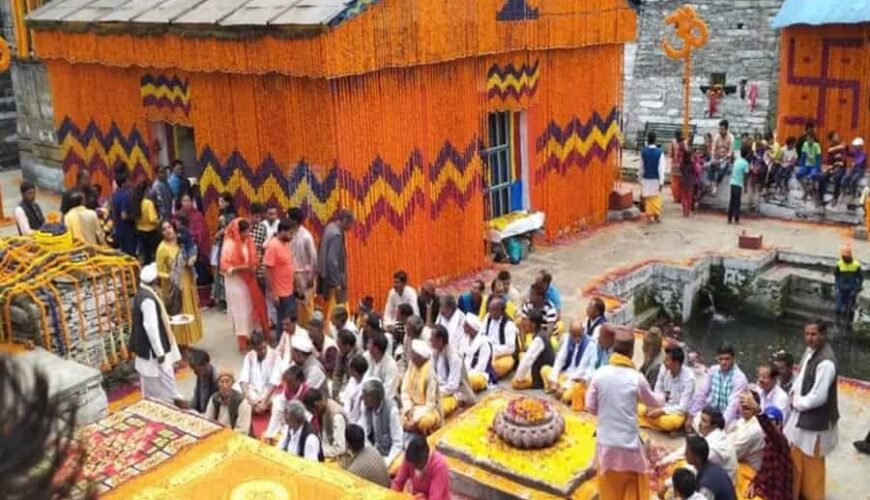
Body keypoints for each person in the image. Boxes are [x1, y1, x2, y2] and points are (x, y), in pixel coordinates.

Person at [585, 325, 662, 500]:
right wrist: (663, 398)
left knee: (608, 490)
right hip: (629, 448)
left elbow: (590, 407)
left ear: (613, 348)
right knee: (634, 487)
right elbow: (654, 403)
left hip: (606, 445)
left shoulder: (599, 374)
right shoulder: (636, 378)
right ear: (631, 352)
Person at [784, 319, 839, 500]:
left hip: (814, 422)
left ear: (823, 335)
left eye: (814, 334)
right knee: (796, 458)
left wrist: (797, 402)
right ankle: (796, 493)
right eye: (807, 334)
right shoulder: (811, 352)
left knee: (812, 463)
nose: (809, 338)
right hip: (801, 416)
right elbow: (801, 378)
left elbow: (818, 396)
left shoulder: (826, 362)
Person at [130, 263, 182, 402]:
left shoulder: (143, 293)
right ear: (154, 281)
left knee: (157, 384)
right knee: (163, 384)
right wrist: (160, 353)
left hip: (150, 351)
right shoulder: (148, 300)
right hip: (154, 352)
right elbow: (151, 328)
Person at [221, 218, 270, 351]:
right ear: (238, 231)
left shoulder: (248, 241)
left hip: (250, 280)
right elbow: (225, 267)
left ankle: (254, 337)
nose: (247, 235)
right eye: (245, 232)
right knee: (241, 312)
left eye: (248, 232)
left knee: (251, 308)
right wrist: (240, 268)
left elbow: (253, 257)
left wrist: (254, 265)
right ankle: (243, 340)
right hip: (235, 283)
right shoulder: (229, 245)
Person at [156, 221, 203, 346]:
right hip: (174, 287)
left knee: (188, 311)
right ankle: (179, 346)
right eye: (164, 229)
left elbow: (193, 249)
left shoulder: (182, 242)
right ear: (161, 233)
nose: (168, 231)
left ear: (174, 228)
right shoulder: (162, 249)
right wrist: (170, 276)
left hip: (187, 281)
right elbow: (159, 271)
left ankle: (186, 343)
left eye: (169, 227)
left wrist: (193, 257)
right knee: (178, 313)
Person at [740, 396, 793, 500]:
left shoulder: (781, 442)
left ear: (780, 424)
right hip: (764, 490)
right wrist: (755, 483)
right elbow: (764, 470)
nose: (770, 425)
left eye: (773, 422)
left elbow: (771, 430)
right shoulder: (767, 442)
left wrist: (758, 411)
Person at [688, 344, 748, 431]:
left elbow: (732, 406)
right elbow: (702, 393)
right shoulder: (713, 370)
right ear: (717, 358)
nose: (723, 362)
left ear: (733, 358)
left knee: (731, 429)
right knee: (696, 421)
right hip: (712, 414)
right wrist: (692, 415)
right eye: (721, 359)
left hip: (731, 418)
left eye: (727, 359)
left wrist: (720, 426)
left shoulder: (739, 378)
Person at [639, 345, 695, 432]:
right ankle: (653, 422)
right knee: (637, 405)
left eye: (668, 360)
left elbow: (683, 407)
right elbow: (658, 388)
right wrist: (654, 405)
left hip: (675, 412)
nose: (664, 362)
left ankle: (648, 421)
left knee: (671, 422)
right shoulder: (664, 368)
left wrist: (661, 411)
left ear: (676, 363)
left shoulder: (689, 379)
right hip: (661, 405)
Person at [542, 318, 590, 409]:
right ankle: (555, 388)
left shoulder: (588, 344)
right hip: (565, 374)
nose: (577, 339)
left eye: (579, 336)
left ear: (583, 332)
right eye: (574, 336)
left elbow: (581, 370)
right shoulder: (568, 339)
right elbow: (560, 359)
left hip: (576, 380)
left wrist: (564, 387)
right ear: (570, 333)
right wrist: (554, 380)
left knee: (567, 396)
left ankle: (561, 392)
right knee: (545, 369)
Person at [430, 324, 474, 417]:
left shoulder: (454, 357)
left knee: (434, 411)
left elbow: (453, 386)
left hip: (457, 394)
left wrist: (435, 392)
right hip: (441, 390)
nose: (430, 341)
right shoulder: (435, 351)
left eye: (432, 338)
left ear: (440, 340)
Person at [318, 209, 354, 321]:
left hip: (326, 278)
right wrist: (337, 283)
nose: (350, 227)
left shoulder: (330, 227)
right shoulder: (336, 235)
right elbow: (332, 261)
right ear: (345, 221)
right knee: (335, 312)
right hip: (333, 282)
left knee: (329, 309)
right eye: (350, 224)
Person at [400, 339, 442, 434]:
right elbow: (404, 390)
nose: (411, 357)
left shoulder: (430, 373)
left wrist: (415, 417)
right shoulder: (412, 365)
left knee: (424, 422)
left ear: (421, 357)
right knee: (395, 415)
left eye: (413, 355)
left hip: (425, 411)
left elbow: (430, 404)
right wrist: (408, 409)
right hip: (411, 407)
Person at [360, 379, 404, 466]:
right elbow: (364, 432)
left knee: (396, 466)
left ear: (374, 398)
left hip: (389, 453)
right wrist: (371, 452)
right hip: (374, 450)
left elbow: (398, 443)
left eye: (365, 396)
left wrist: (386, 462)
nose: (362, 398)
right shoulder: (365, 406)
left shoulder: (392, 411)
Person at [391, 435, 450, 500]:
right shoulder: (410, 458)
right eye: (412, 465)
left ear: (425, 457)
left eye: (417, 464)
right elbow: (398, 483)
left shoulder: (439, 466)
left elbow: (435, 498)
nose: (413, 467)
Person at [264, 219, 296, 336]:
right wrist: (273, 293)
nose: (292, 236)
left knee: (290, 320)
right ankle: (281, 347)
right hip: (280, 293)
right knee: (284, 322)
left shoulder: (285, 243)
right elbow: (267, 270)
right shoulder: (272, 246)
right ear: (282, 231)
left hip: (289, 289)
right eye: (290, 233)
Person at [238, 331, 280, 418]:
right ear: (253, 349)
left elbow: (275, 381)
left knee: (278, 400)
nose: (262, 351)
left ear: (266, 342)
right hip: (253, 392)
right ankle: (255, 407)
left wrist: (265, 401)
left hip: (270, 392)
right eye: (259, 350)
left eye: (264, 348)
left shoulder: (276, 355)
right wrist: (250, 399)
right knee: (237, 390)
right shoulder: (249, 356)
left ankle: (262, 407)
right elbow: (244, 379)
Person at [287, 207, 318, 325]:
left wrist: (311, 276)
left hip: (304, 278)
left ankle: (310, 333)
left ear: (294, 221)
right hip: (292, 278)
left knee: (306, 307)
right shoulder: (289, 234)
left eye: (288, 217)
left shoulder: (306, 236)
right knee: (296, 308)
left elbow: (314, 258)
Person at [264, 365, 310, 443]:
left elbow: (308, 416)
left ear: (299, 381)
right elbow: (277, 414)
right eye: (287, 383)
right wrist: (269, 434)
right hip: (289, 419)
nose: (288, 385)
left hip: (303, 421)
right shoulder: (286, 391)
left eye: (290, 383)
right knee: (277, 403)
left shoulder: (307, 392)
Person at [512, 309, 554, 390]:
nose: (524, 324)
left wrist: (518, 378)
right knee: (522, 355)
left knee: (515, 384)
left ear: (533, 324)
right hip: (536, 368)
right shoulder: (540, 334)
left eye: (526, 321)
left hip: (540, 375)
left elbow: (528, 359)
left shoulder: (539, 338)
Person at [684, 436, 737, 500]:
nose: (685, 454)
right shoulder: (712, 467)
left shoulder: (706, 487)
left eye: (687, 452)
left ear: (698, 459)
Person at [302, 388, 348, 460]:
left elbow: (340, 449)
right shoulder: (322, 410)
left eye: (312, 411)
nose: (313, 414)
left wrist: (319, 450)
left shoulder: (336, 416)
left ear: (316, 405)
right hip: (327, 449)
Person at [176, 193, 211, 282]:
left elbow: (202, 233)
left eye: (188, 201)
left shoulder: (198, 215)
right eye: (184, 201)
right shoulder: (178, 215)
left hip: (196, 249)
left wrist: (192, 238)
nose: (186, 203)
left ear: (192, 202)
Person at [728, 392, 765, 471]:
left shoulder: (755, 429)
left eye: (748, 403)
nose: (744, 406)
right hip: (738, 465)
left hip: (748, 473)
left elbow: (732, 454)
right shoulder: (742, 420)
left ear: (755, 405)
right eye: (741, 403)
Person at [210, 192, 236, 307]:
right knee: (220, 272)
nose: (219, 204)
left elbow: (231, 231)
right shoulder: (223, 215)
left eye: (222, 202)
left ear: (228, 203)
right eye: (219, 202)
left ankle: (227, 300)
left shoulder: (231, 217)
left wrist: (222, 232)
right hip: (222, 246)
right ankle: (222, 299)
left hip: (229, 247)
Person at [482, 298, 518, 379]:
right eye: (489, 309)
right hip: (487, 350)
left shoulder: (509, 324)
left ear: (500, 311)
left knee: (504, 364)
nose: (489, 312)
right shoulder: (488, 317)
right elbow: (482, 334)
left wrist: (494, 350)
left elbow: (511, 348)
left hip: (501, 355)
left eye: (492, 310)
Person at [462, 314, 495, 392]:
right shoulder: (465, 339)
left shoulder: (484, 343)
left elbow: (481, 367)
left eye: (465, 325)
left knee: (468, 382)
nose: (463, 326)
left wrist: (464, 375)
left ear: (473, 328)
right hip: (465, 372)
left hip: (481, 374)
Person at [132, 180, 161, 264]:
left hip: (140, 230)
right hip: (151, 232)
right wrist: (159, 221)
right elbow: (152, 219)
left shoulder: (136, 202)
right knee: (153, 254)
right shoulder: (148, 203)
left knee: (145, 254)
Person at [834, 244, 862, 331]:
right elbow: (836, 276)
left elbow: (860, 279)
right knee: (837, 309)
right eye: (843, 256)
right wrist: (837, 286)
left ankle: (848, 327)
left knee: (849, 310)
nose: (844, 258)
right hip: (841, 290)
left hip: (851, 291)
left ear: (850, 256)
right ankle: (837, 326)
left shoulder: (856, 265)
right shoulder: (839, 264)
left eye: (845, 256)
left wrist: (856, 289)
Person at [364, 332, 400, 400]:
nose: (367, 345)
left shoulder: (391, 365)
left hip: (383, 401)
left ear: (376, 348)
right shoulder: (366, 356)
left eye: (369, 343)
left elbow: (389, 391)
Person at [111, 168, 138, 256]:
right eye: (128, 181)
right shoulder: (125, 196)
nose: (130, 183)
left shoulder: (115, 194)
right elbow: (124, 215)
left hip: (119, 229)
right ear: (123, 184)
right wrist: (134, 217)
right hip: (127, 230)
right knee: (130, 254)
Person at [641, 132, 665, 223]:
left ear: (648, 140)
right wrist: (661, 182)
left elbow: (641, 167)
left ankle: (649, 217)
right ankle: (656, 215)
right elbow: (661, 169)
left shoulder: (643, 152)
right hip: (656, 178)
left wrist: (640, 178)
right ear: (655, 140)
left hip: (646, 178)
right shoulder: (660, 153)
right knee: (656, 197)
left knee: (648, 197)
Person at [819, 131, 847, 206]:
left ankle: (835, 197)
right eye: (836, 136)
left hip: (841, 167)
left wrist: (838, 166)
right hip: (833, 167)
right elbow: (829, 161)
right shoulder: (830, 148)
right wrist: (828, 168)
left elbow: (843, 158)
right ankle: (821, 198)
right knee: (822, 177)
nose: (837, 137)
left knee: (838, 177)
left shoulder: (842, 146)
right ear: (831, 139)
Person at [333, 329, 363, 398]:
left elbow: (356, 379)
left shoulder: (359, 356)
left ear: (348, 346)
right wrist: (335, 392)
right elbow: (337, 373)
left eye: (340, 345)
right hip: (346, 384)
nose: (338, 347)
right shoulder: (341, 353)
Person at [340, 354, 370, 424]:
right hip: (347, 415)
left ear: (353, 370)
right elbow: (346, 398)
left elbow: (363, 413)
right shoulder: (352, 380)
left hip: (359, 422)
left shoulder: (366, 386)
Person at [189, 349, 219, 414]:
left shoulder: (217, 380)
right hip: (201, 410)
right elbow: (196, 395)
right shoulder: (200, 374)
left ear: (206, 364)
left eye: (199, 371)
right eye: (196, 372)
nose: (198, 374)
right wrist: (192, 409)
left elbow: (218, 406)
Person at [727, 144, 750, 225]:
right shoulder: (746, 163)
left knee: (732, 201)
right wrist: (746, 187)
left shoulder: (737, 160)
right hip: (738, 184)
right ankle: (736, 219)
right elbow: (746, 177)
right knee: (737, 202)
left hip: (732, 183)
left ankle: (729, 218)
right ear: (748, 154)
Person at [796, 133, 823, 201]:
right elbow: (803, 155)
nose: (808, 141)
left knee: (813, 175)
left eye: (810, 139)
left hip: (814, 166)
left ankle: (813, 193)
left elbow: (818, 158)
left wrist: (818, 168)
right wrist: (800, 165)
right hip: (806, 165)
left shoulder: (816, 146)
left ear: (813, 139)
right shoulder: (805, 144)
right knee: (798, 174)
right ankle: (806, 190)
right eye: (807, 139)